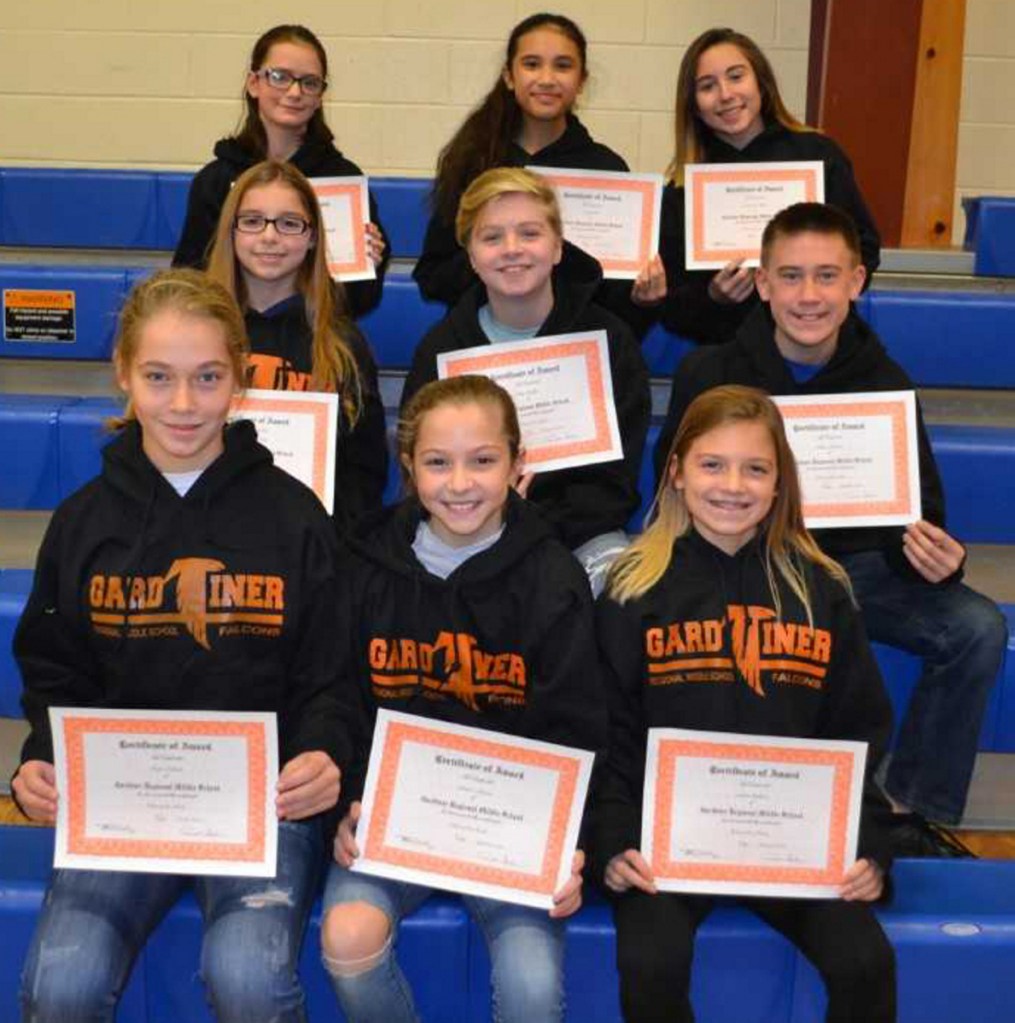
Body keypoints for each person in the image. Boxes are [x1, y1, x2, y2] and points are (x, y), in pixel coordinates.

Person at [13, 269, 359, 1023]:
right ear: (123, 375)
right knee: (60, 984)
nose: (181, 403)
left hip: (260, 802)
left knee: (247, 977)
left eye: (206, 378)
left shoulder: (293, 516)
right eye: (159, 377)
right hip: (122, 805)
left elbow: (330, 672)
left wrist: (324, 750)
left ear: (238, 380)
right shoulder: (83, 522)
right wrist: (41, 753)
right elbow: (54, 666)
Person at [655, 203, 1007, 846]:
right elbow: (668, 486)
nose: (808, 295)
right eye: (790, 276)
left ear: (857, 282)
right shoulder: (709, 372)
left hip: (851, 575)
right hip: (737, 565)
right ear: (761, 284)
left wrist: (936, 557)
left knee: (977, 627)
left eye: (826, 276)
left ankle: (905, 809)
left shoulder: (885, 382)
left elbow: (920, 511)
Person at [594, 384, 896, 1023]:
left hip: (794, 846)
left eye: (755, 468)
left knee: (866, 962)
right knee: (651, 965)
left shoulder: (822, 588)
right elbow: (606, 726)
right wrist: (615, 839)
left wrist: (867, 846)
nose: (733, 485)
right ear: (676, 472)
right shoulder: (631, 586)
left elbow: (857, 727)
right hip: (666, 847)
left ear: (781, 482)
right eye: (712, 464)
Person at [320, 374, 608, 1023]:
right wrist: (349, 804)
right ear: (408, 467)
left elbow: (579, 727)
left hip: (514, 833)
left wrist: (572, 840)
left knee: (531, 988)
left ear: (518, 465)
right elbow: (338, 700)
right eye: (437, 462)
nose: (460, 483)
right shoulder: (365, 565)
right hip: (397, 823)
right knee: (346, 935)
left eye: (482, 461)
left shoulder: (552, 578)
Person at [403, 167, 650, 594]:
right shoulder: (442, 349)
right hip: (466, 527)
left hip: (580, 536)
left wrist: (532, 522)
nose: (511, 250)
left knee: (623, 588)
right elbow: (421, 466)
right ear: (472, 255)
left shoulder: (609, 340)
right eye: (492, 237)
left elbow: (616, 482)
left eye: (530, 233)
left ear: (557, 247)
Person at [412, 12, 663, 337]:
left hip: (574, 343)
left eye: (562, 65)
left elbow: (614, 303)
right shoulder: (473, 161)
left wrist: (642, 299)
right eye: (532, 64)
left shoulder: (607, 169)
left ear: (582, 80)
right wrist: (497, 256)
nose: (547, 78)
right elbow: (433, 278)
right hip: (483, 340)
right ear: (509, 76)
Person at [654, 26, 880, 345]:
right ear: (694, 104)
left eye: (736, 76)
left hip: (825, 345)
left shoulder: (817, 155)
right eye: (707, 86)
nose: (726, 94)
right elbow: (673, 306)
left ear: (761, 81)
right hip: (729, 350)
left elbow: (865, 248)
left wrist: (819, 287)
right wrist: (714, 296)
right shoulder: (684, 189)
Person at [207, 159, 388, 523]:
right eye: (253, 221)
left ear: (313, 238)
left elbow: (364, 472)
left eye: (290, 223)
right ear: (231, 231)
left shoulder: (342, 347)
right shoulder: (198, 334)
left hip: (309, 541)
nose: (270, 236)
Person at [173, 24, 388, 317]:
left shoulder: (344, 181)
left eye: (310, 82)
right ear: (253, 83)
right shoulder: (215, 181)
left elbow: (358, 304)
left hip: (313, 342)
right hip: (229, 336)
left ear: (320, 95)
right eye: (280, 77)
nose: (295, 91)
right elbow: (190, 282)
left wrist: (369, 265)